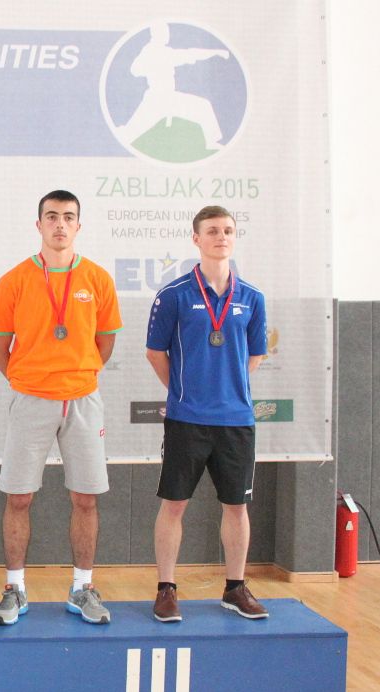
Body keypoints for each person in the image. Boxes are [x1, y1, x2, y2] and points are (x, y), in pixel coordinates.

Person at [0, 190, 122, 625]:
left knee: (85, 498)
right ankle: (15, 589)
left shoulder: (97, 279)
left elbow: (105, 343)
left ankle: (82, 588)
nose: (60, 224)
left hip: (83, 400)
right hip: (31, 399)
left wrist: (76, 376)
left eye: (68, 217)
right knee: (19, 497)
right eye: (51, 216)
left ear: (78, 225)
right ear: (38, 224)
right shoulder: (14, 280)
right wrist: (29, 381)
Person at [145, 205, 268, 621]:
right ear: (196, 238)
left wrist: (227, 389)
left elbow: (255, 356)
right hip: (187, 419)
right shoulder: (174, 294)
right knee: (174, 504)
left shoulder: (252, 297)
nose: (221, 237)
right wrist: (185, 391)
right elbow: (155, 353)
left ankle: (235, 587)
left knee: (237, 506)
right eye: (212, 231)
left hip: (236, 421)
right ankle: (166, 589)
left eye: (228, 230)